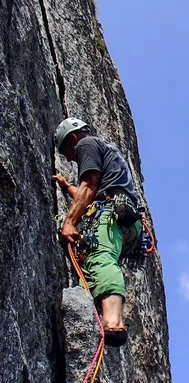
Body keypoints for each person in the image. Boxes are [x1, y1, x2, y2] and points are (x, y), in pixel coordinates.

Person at [53, 117, 142, 347]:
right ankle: (100, 310)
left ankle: (113, 322)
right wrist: (66, 187)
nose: (70, 158)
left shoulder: (86, 144)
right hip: (124, 220)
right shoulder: (106, 151)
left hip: (112, 215)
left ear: (73, 138)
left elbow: (90, 186)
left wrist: (70, 222)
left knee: (100, 256)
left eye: (67, 152)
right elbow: (90, 193)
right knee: (96, 260)